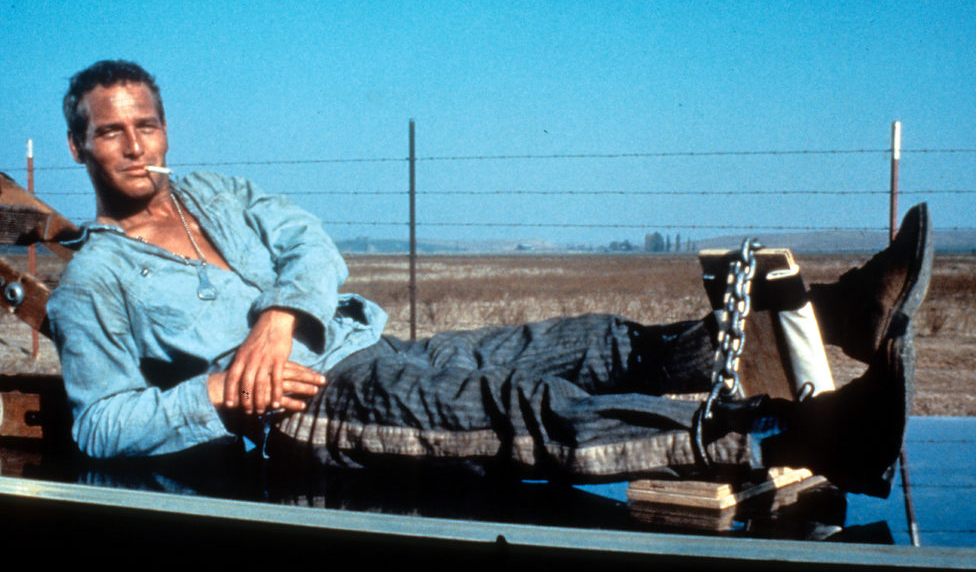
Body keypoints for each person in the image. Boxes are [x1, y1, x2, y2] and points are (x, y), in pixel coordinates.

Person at [47, 60, 932, 499]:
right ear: (80, 145)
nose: (135, 145)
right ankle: (813, 438)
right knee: (523, 405)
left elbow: (312, 247)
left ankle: (842, 310)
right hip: (310, 408)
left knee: (588, 341)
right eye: (111, 131)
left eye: (148, 124)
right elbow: (99, 424)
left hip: (374, 345)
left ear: (166, 129)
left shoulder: (218, 191)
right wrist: (217, 390)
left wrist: (278, 317)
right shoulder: (93, 281)